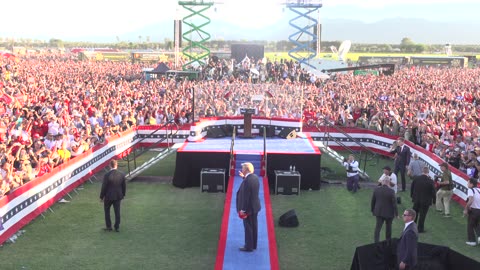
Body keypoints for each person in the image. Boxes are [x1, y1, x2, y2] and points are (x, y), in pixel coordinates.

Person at [236, 162, 261, 252]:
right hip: (255, 207)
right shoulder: (255, 177)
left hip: (248, 209)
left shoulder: (247, 181)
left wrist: (243, 210)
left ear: (246, 170)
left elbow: (246, 197)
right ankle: (253, 244)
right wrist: (243, 177)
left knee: (248, 227)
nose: (242, 169)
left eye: (243, 168)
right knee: (254, 226)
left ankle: (248, 246)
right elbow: (250, 187)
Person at [100, 159, 126, 232]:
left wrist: (101, 197)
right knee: (117, 211)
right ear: (116, 165)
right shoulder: (121, 174)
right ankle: (117, 227)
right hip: (118, 196)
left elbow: (104, 186)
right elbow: (124, 186)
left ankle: (109, 227)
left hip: (108, 196)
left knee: (107, 211)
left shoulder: (107, 175)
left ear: (110, 166)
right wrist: (123, 194)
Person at [371, 178, 398, 243]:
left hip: (379, 212)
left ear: (383, 182)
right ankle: (388, 242)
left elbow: (373, 201)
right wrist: (396, 214)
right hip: (389, 213)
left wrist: (373, 210)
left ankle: (376, 242)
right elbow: (394, 204)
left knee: (378, 228)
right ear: (388, 183)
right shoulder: (391, 191)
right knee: (388, 227)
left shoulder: (376, 190)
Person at [410, 166, 436, 233]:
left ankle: (412, 227)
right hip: (426, 201)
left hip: (416, 199)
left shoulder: (416, 179)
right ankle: (420, 229)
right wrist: (434, 201)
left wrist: (412, 196)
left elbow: (412, 188)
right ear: (428, 172)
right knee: (422, 215)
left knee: (414, 214)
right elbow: (433, 192)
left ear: (422, 171)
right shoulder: (430, 181)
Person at [464, 178, 480, 246]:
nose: (467, 184)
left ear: (472, 184)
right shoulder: (479, 189)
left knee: (470, 225)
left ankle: (472, 241)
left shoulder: (470, 190)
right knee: (476, 225)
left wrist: (466, 209)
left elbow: (470, 200)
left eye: (468, 183)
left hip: (474, 210)